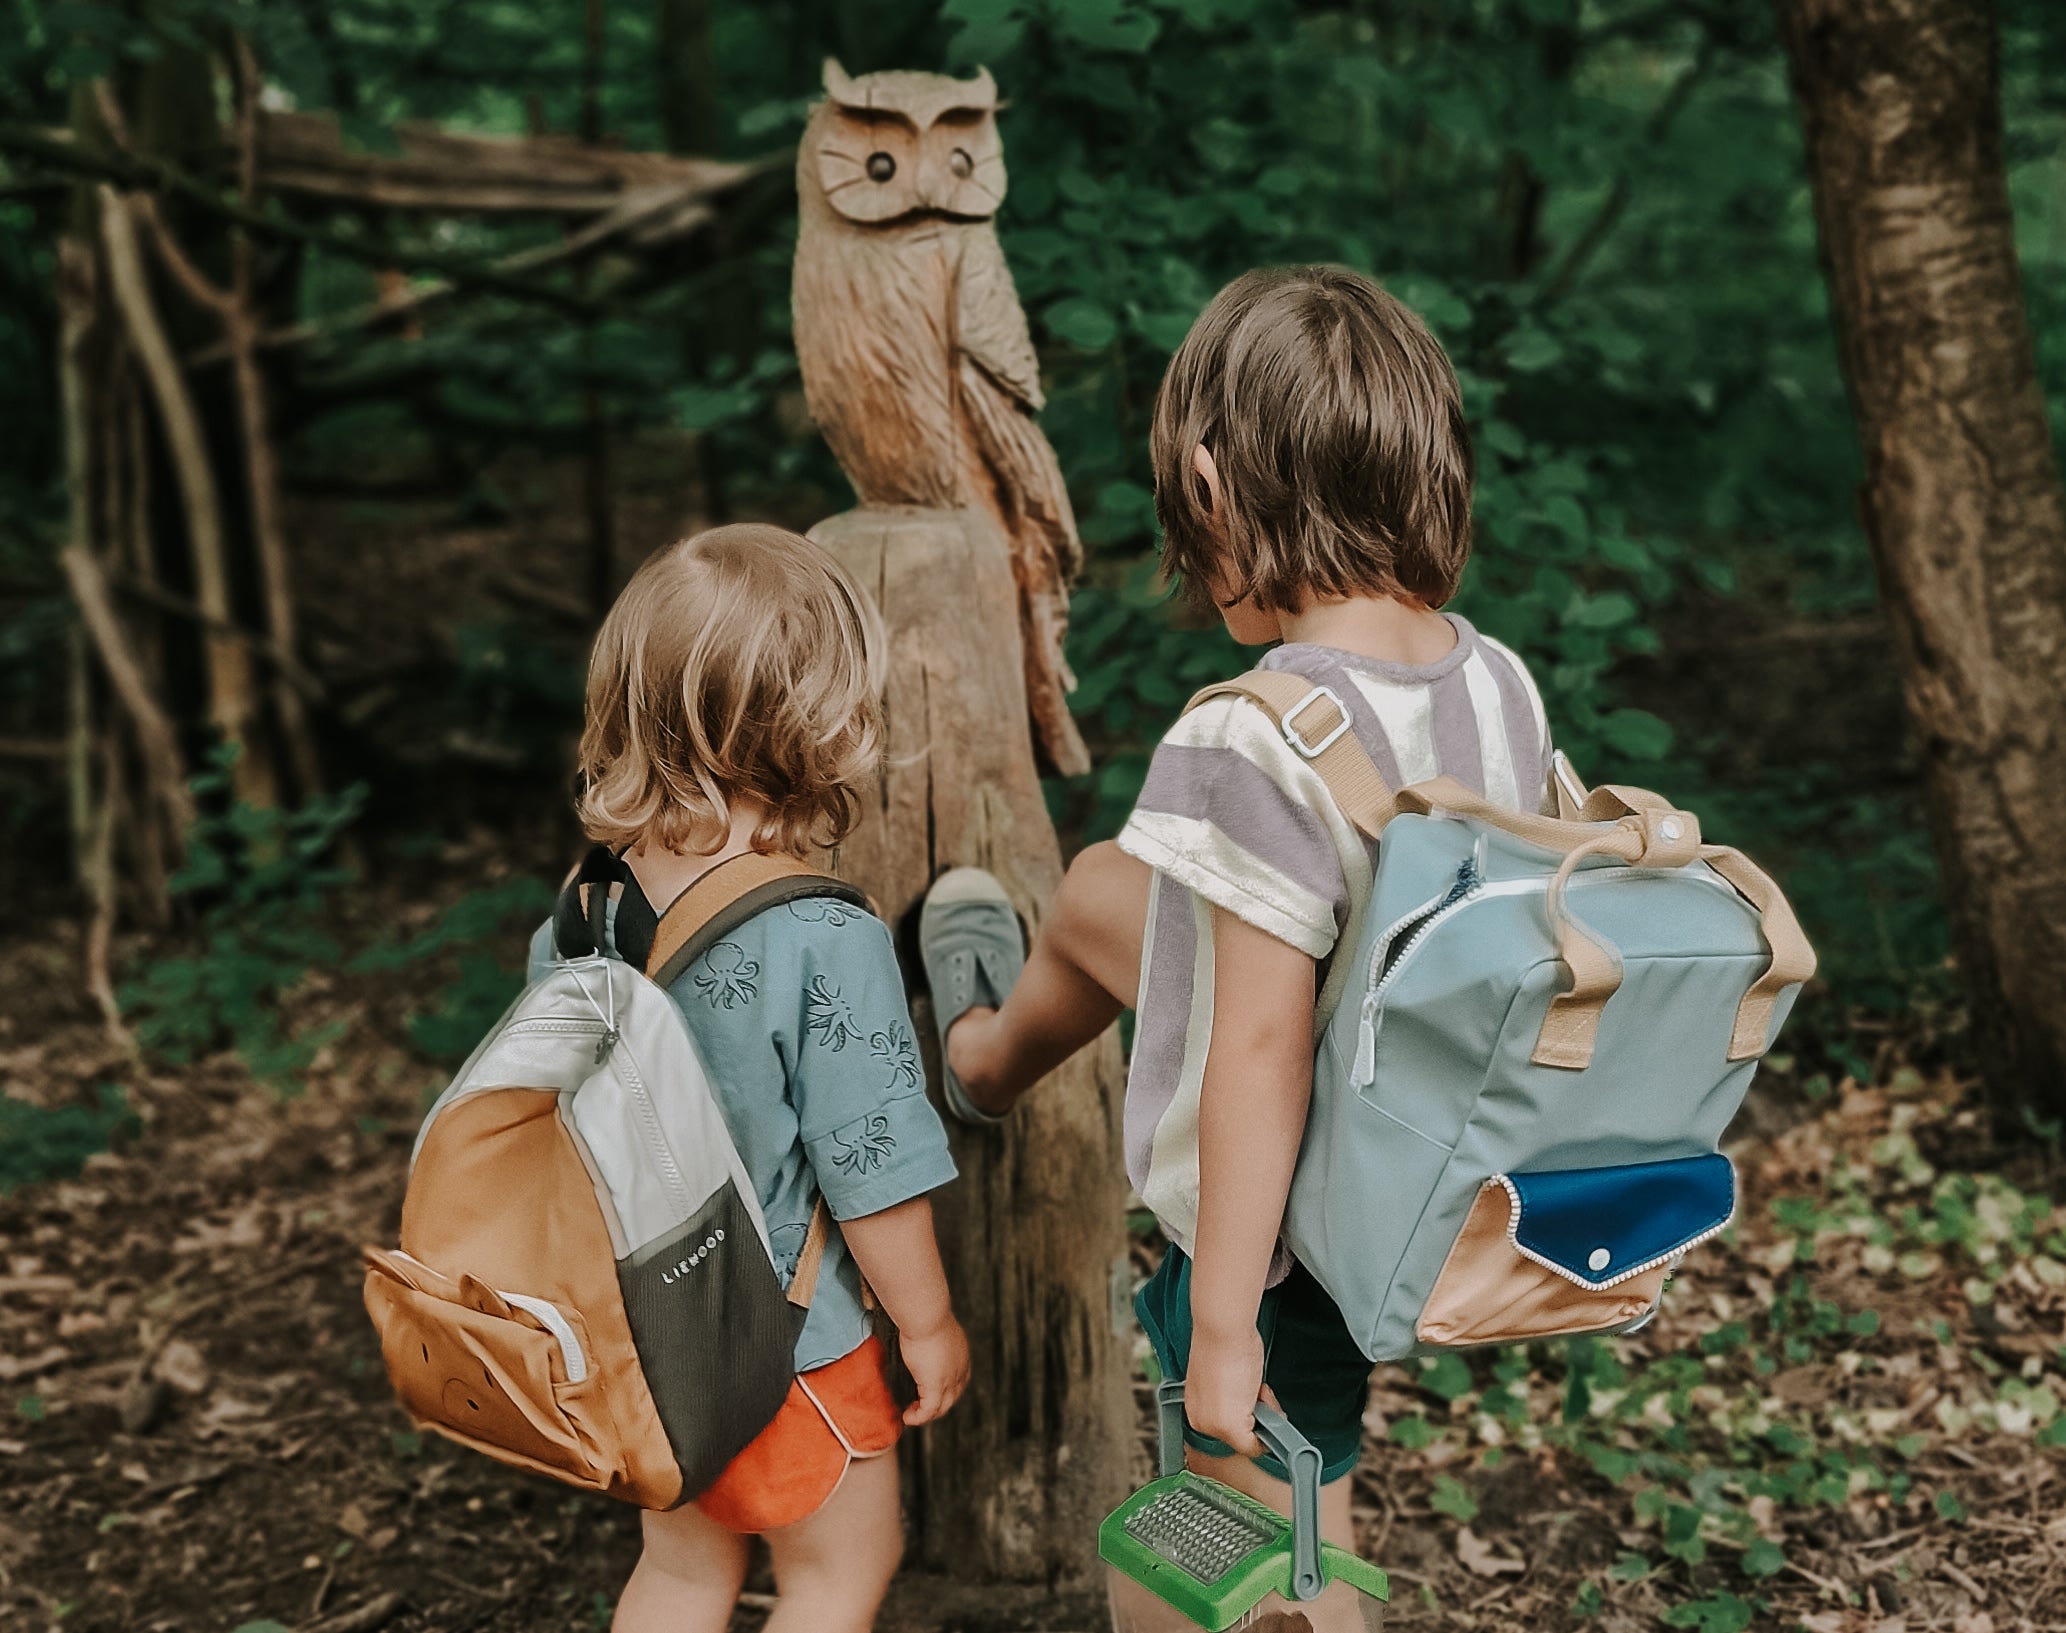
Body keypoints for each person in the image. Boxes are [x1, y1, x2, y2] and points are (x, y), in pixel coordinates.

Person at [921, 266, 1551, 1568]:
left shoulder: (1247, 736)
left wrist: (1222, 1323)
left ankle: (977, 1059)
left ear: (1209, 487)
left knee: (1257, 1550)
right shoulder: (1495, 683)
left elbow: (1257, 1050)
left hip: (1285, 1235)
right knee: (1108, 888)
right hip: (1428, 1165)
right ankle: (982, 1056)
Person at [533, 524, 969, 1633]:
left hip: (642, 1334)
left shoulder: (581, 915)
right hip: (790, 1342)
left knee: (682, 1572)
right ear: (820, 720)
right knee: (835, 1572)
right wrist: (925, 1322)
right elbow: (870, 1158)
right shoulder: (819, 935)